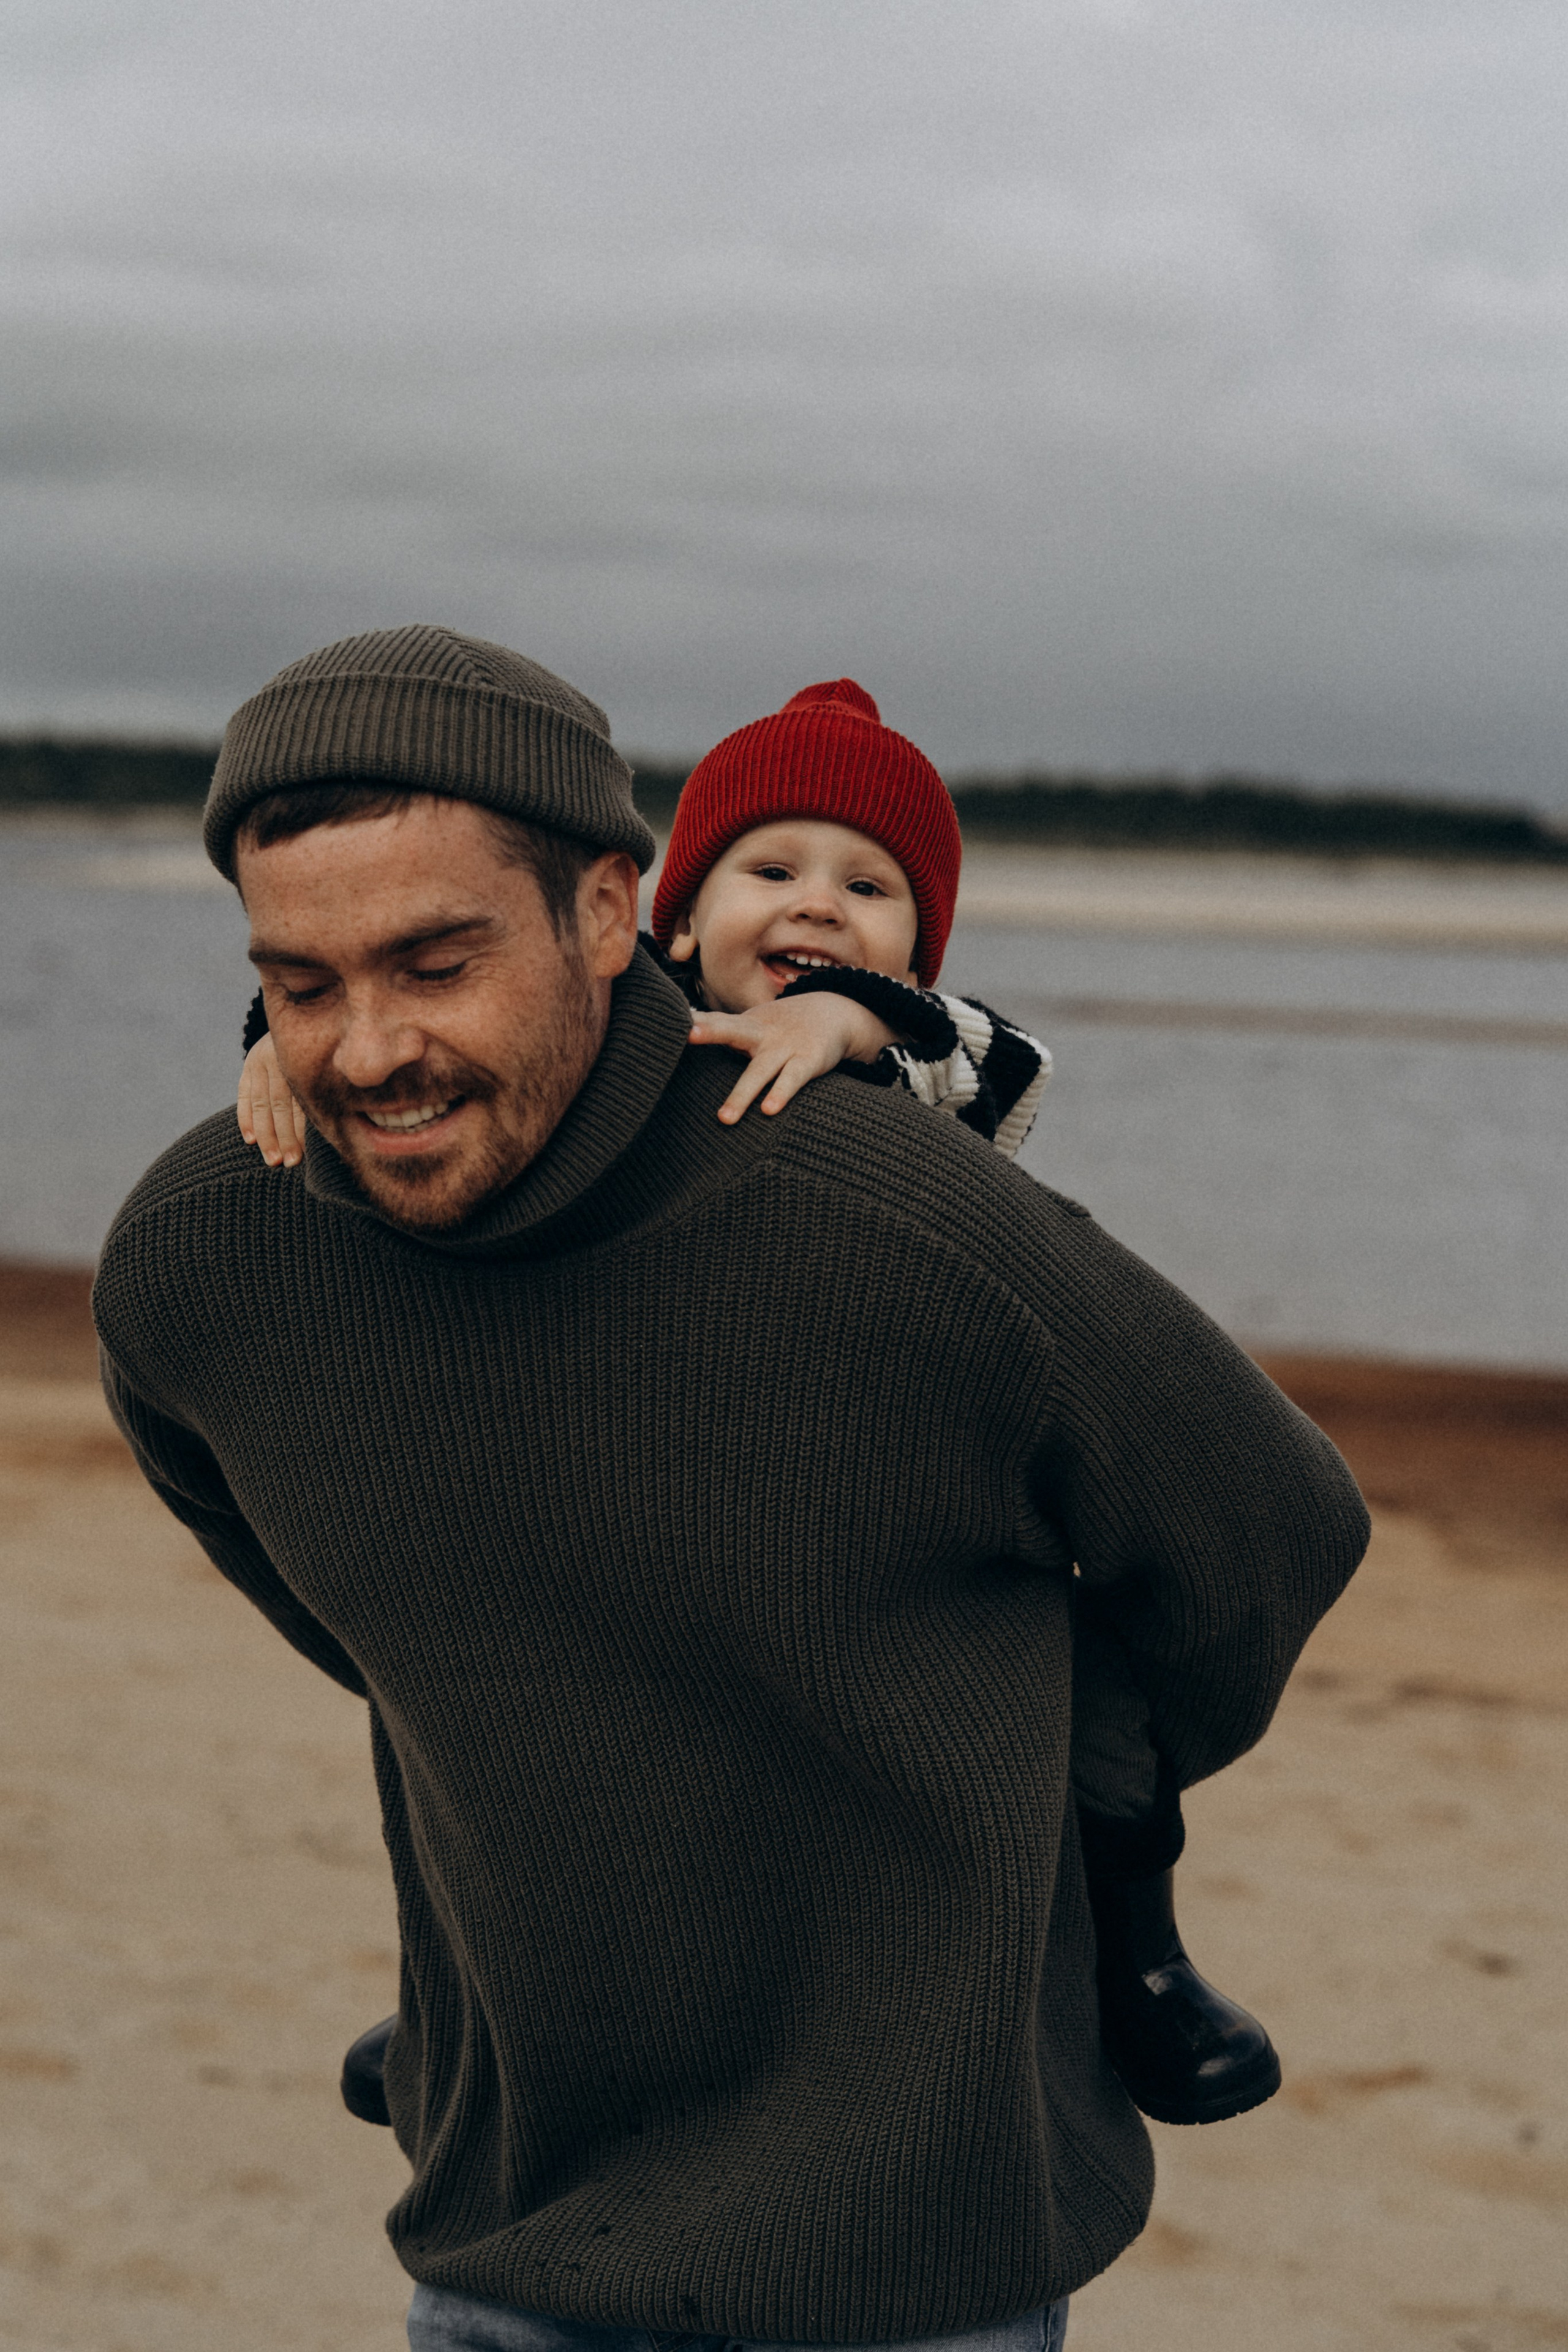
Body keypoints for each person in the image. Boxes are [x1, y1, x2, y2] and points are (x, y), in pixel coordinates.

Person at [94, 626, 1370, 2352]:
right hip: (503, 2232)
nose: (369, 1050)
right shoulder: (205, 1262)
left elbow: (1264, 1532)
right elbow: (307, 1570)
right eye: (304, 986)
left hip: (917, 2255)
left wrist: (1039, 1780)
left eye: (436, 963)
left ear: (611, 916)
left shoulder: (897, 1208)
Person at [235, 674, 1284, 2135]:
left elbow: (1000, 1061)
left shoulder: (931, 1057)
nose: (816, 906)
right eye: (770, 870)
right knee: (506, 1731)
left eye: (869, 889)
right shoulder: (611, 1023)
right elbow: (412, 983)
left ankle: (1136, 1965)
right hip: (652, 1463)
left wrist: (849, 1025)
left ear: (921, 943)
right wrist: (262, 1042)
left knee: (1093, 1742)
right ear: (659, 913)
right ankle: (453, 1995)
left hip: (911, 1505)